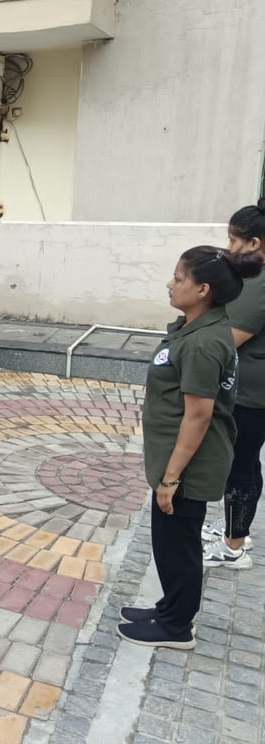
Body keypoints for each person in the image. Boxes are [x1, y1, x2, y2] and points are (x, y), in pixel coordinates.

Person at [118, 245, 261, 649]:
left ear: (202, 290)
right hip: (176, 459)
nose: (170, 284)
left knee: (178, 546)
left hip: (188, 465)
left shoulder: (203, 343)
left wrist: (171, 477)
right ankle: (169, 609)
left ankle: (176, 627)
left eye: (178, 278)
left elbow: (198, 416)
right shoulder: (196, 330)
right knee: (169, 542)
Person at [201, 199, 265, 569]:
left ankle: (233, 546)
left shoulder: (259, 284)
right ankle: (236, 529)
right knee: (248, 463)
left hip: (251, 396)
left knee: (239, 465)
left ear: (254, 244)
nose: (229, 248)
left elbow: (227, 340)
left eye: (233, 241)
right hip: (254, 393)